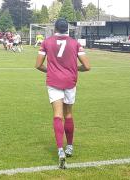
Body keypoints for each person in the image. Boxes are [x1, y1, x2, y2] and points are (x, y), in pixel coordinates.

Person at [35, 18, 90, 169]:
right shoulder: (75, 43)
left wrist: (51, 71)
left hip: (54, 82)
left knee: (57, 115)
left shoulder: (46, 42)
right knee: (69, 115)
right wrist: (74, 70)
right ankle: (70, 147)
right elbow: (87, 66)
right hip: (70, 82)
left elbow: (38, 65)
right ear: (67, 30)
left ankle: (60, 151)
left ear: (55, 29)